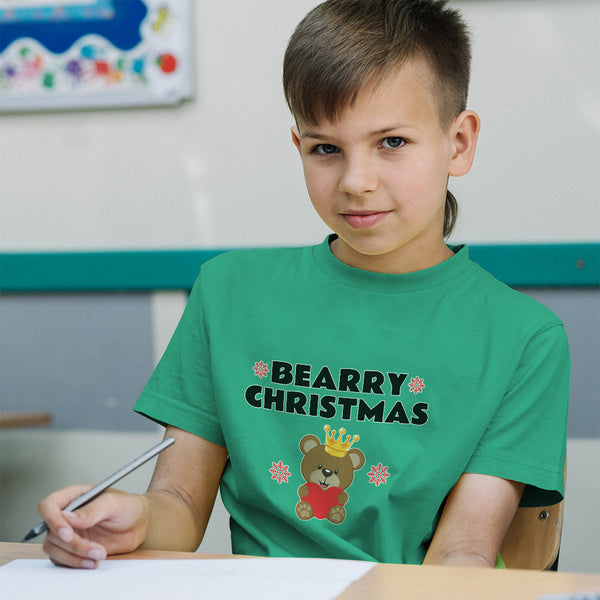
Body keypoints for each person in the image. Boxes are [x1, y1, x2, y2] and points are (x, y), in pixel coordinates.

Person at [38, 0, 569, 570]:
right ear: (299, 148)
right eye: (326, 148)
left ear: (458, 143)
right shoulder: (228, 293)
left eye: (391, 142)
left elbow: (462, 552)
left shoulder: (524, 338)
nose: (355, 181)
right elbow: (180, 505)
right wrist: (135, 518)